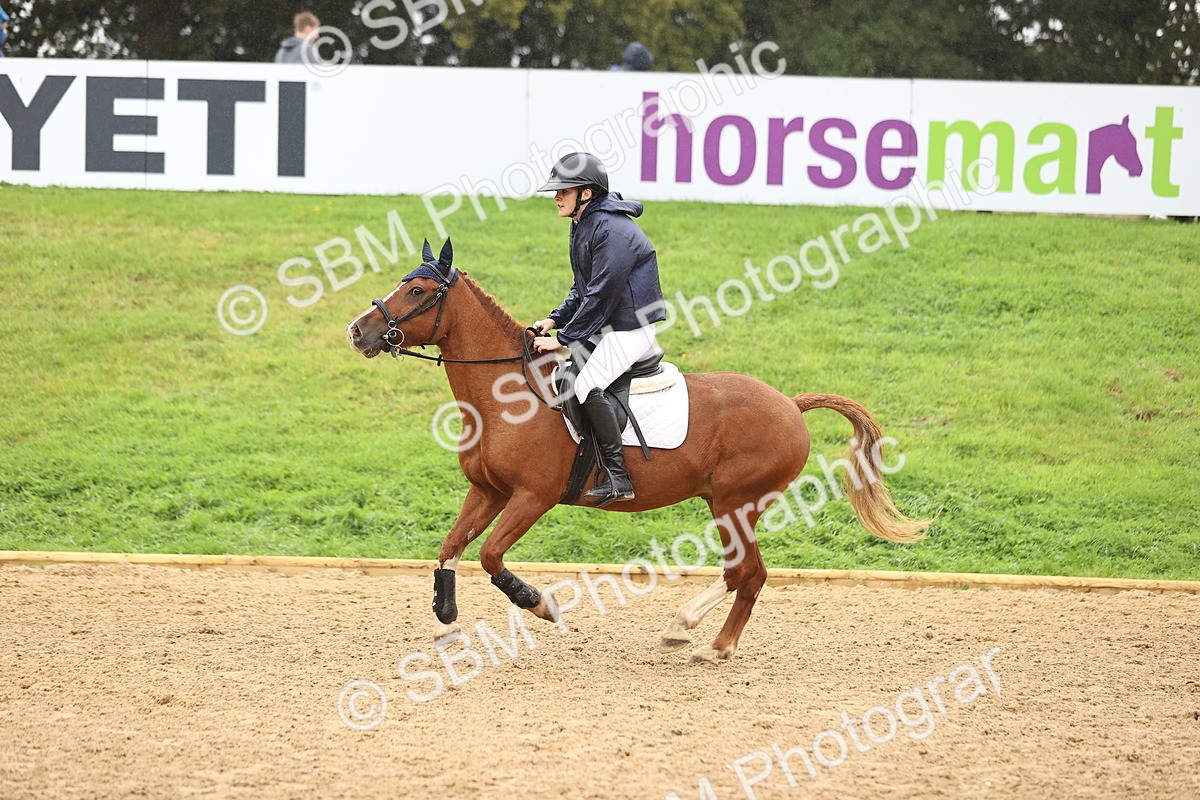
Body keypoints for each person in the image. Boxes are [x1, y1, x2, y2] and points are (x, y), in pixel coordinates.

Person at [532, 153, 666, 506]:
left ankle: (619, 476)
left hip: (630, 328)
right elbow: (582, 287)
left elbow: (602, 293)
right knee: (565, 378)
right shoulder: (585, 223)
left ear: (587, 193)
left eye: (564, 190)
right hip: (609, 324)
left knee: (587, 383)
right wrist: (555, 318)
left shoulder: (612, 229)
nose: (556, 197)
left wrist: (563, 339)